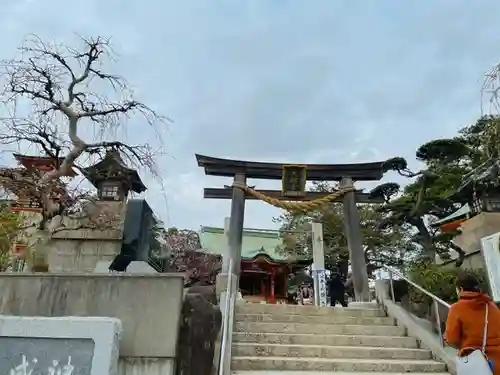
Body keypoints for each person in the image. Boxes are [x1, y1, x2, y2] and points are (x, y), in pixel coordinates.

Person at [445, 272, 500, 375]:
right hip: (496, 364)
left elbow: (452, 339)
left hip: (476, 366)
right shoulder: (493, 308)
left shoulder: (457, 308)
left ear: (461, 289)